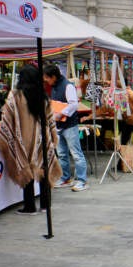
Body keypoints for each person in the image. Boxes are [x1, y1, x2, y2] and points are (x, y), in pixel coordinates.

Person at [0, 65, 62, 215]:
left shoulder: (15, 96)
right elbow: (50, 120)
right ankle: (46, 205)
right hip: (42, 139)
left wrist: (7, 137)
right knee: (44, 170)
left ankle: (30, 207)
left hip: (22, 141)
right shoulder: (43, 96)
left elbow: (7, 118)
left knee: (27, 170)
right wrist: (52, 137)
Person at [44, 64, 89, 192]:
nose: (46, 81)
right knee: (62, 154)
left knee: (76, 153)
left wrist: (61, 113)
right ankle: (65, 178)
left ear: (53, 76)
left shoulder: (68, 85)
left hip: (69, 125)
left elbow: (74, 105)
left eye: (47, 78)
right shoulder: (54, 87)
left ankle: (82, 180)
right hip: (58, 126)